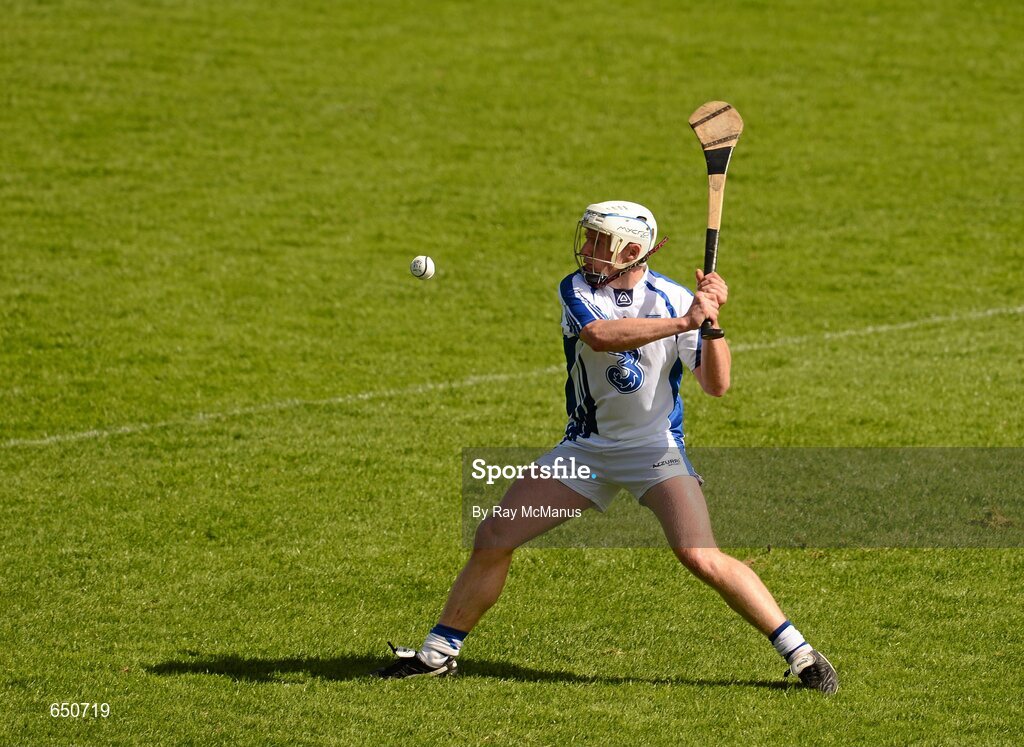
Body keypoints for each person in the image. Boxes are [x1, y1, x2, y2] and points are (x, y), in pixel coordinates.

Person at [374, 201, 838, 693]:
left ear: (632, 250)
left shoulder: (673, 297)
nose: (588, 249)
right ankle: (438, 654)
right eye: (589, 237)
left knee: (699, 554)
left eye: (600, 241)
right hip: (586, 452)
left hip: (654, 450)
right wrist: (685, 322)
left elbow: (717, 385)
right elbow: (600, 336)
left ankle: (804, 656)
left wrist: (710, 320)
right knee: (494, 537)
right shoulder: (576, 290)